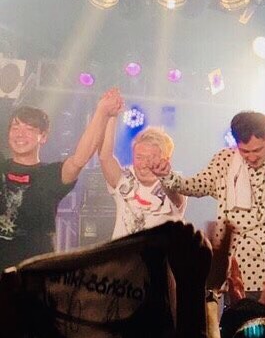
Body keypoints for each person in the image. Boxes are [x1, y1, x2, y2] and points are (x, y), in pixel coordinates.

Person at [153, 76, 265, 297]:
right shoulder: (225, 161)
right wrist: (167, 176)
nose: (252, 157)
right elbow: (195, 185)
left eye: (257, 150)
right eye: (245, 151)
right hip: (240, 273)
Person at [0, 90, 121, 271]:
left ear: (43, 137)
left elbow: (80, 157)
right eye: (15, 128)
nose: (20, 134)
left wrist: (101, 112)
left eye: (29, 129)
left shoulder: (50, 174)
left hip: (33, 272)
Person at [98, 110, 186, 238]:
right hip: (124, 251)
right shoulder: (125, 177)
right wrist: (111, 116)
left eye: (150, 158)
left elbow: (178, 199)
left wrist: (164, 176)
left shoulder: (175, 182)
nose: (144, 164)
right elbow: (105, 157)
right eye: (139, 157)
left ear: (166, 159)